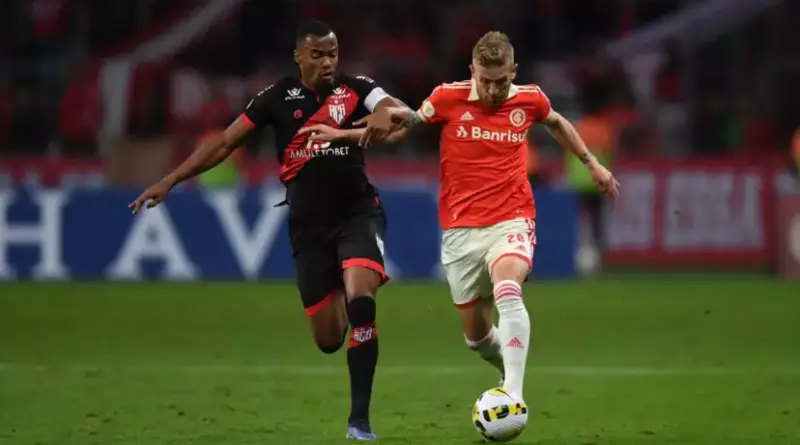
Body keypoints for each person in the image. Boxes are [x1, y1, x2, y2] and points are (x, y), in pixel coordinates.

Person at [300, 31, 619, 401]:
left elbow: (557, 122)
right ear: (472, 71)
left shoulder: (530, 99)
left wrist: (591, 163)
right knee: (477, 338)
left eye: (501, 82)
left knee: (508, 288)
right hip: (460, 231)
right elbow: (401, 131)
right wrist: (341, 135)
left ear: (513, 72)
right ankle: (507, 367)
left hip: (511, 217)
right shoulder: (446, 98)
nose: (493, 90)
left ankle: (513, 395)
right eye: (486, 81)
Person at [128, 20, 406, 441]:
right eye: (317, 54)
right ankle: (342, 291)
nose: (327, 62)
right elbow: (225, 143)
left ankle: (359, 422)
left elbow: (397, 111)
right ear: (299, 56)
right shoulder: (276, 97)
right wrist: (171, 179)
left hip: (358, 213)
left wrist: (383, 113)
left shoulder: (357, 88)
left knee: (362, 300)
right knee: (329, 340)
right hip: (309, 227)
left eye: (332, 54)